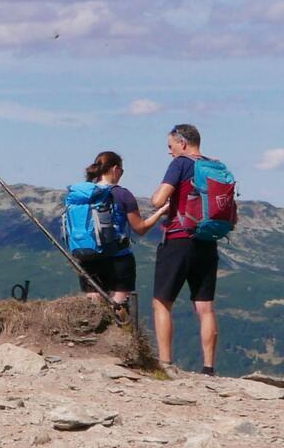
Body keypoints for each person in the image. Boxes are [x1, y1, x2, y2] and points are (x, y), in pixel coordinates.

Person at [150, 125, 231, 375]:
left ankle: (165, 363)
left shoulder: (181, 164)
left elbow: (158, 199)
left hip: (179, 238)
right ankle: (209, 367)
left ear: (182, 143)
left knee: (162, 302)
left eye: (170, 145)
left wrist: (161, 207)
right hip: (207, 240)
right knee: (205, 307)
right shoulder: (215, 165)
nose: (169, 152)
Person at [69, 150, 154, 311]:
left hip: (87, 257)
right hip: (118, 259)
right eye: (121, 170)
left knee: (94, 311)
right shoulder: (122, 194)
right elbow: (140, 228)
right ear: (115, 169)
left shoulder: (83, 195)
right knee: (119, 310)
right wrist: (162, 212)